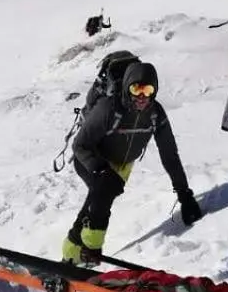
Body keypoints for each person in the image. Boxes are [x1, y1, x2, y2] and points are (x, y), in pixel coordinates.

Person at [62, 59, 205, 265]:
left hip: (122, 164)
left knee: (96, 201)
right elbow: (80, 144)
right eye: (136, 89)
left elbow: (169, 155)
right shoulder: (108, 108)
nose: (141, 96)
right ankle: (89, 250)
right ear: (127, 87)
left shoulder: (155, 114)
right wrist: (100, 168)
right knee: (103, 191)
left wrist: (185, 195)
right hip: (90, 157)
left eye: (148, 90)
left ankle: (73, 255)